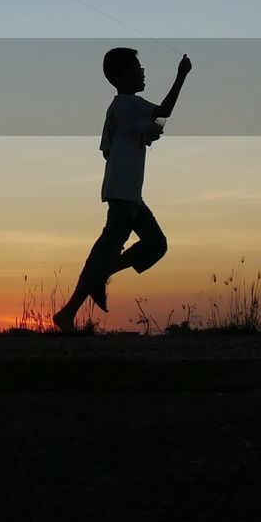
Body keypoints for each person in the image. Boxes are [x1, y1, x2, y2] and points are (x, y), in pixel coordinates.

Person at [53, 48, 192, 333]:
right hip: (124, 193)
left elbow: (109, 150)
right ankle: (68, 311)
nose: (142, 72)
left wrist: (143, 133)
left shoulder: (118, 108)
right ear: (122, 75)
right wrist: (181, 76)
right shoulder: (131, 104)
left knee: (155, 244)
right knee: (108, 249)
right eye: (137, 67)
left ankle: (97, 279)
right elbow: (163, 112)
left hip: (126, 192)